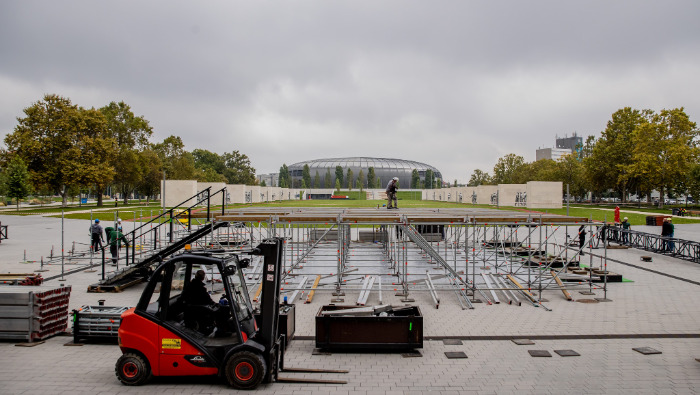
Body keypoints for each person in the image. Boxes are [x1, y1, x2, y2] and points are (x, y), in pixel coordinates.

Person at [182, 269, 231, 337]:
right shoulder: (200, 288)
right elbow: (207, 300)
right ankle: (221, 331)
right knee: (223, 310)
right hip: (199, 308)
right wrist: (215, 304)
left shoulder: (190, 285)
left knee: (220, 308)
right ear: (203, 278)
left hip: (196, 307)